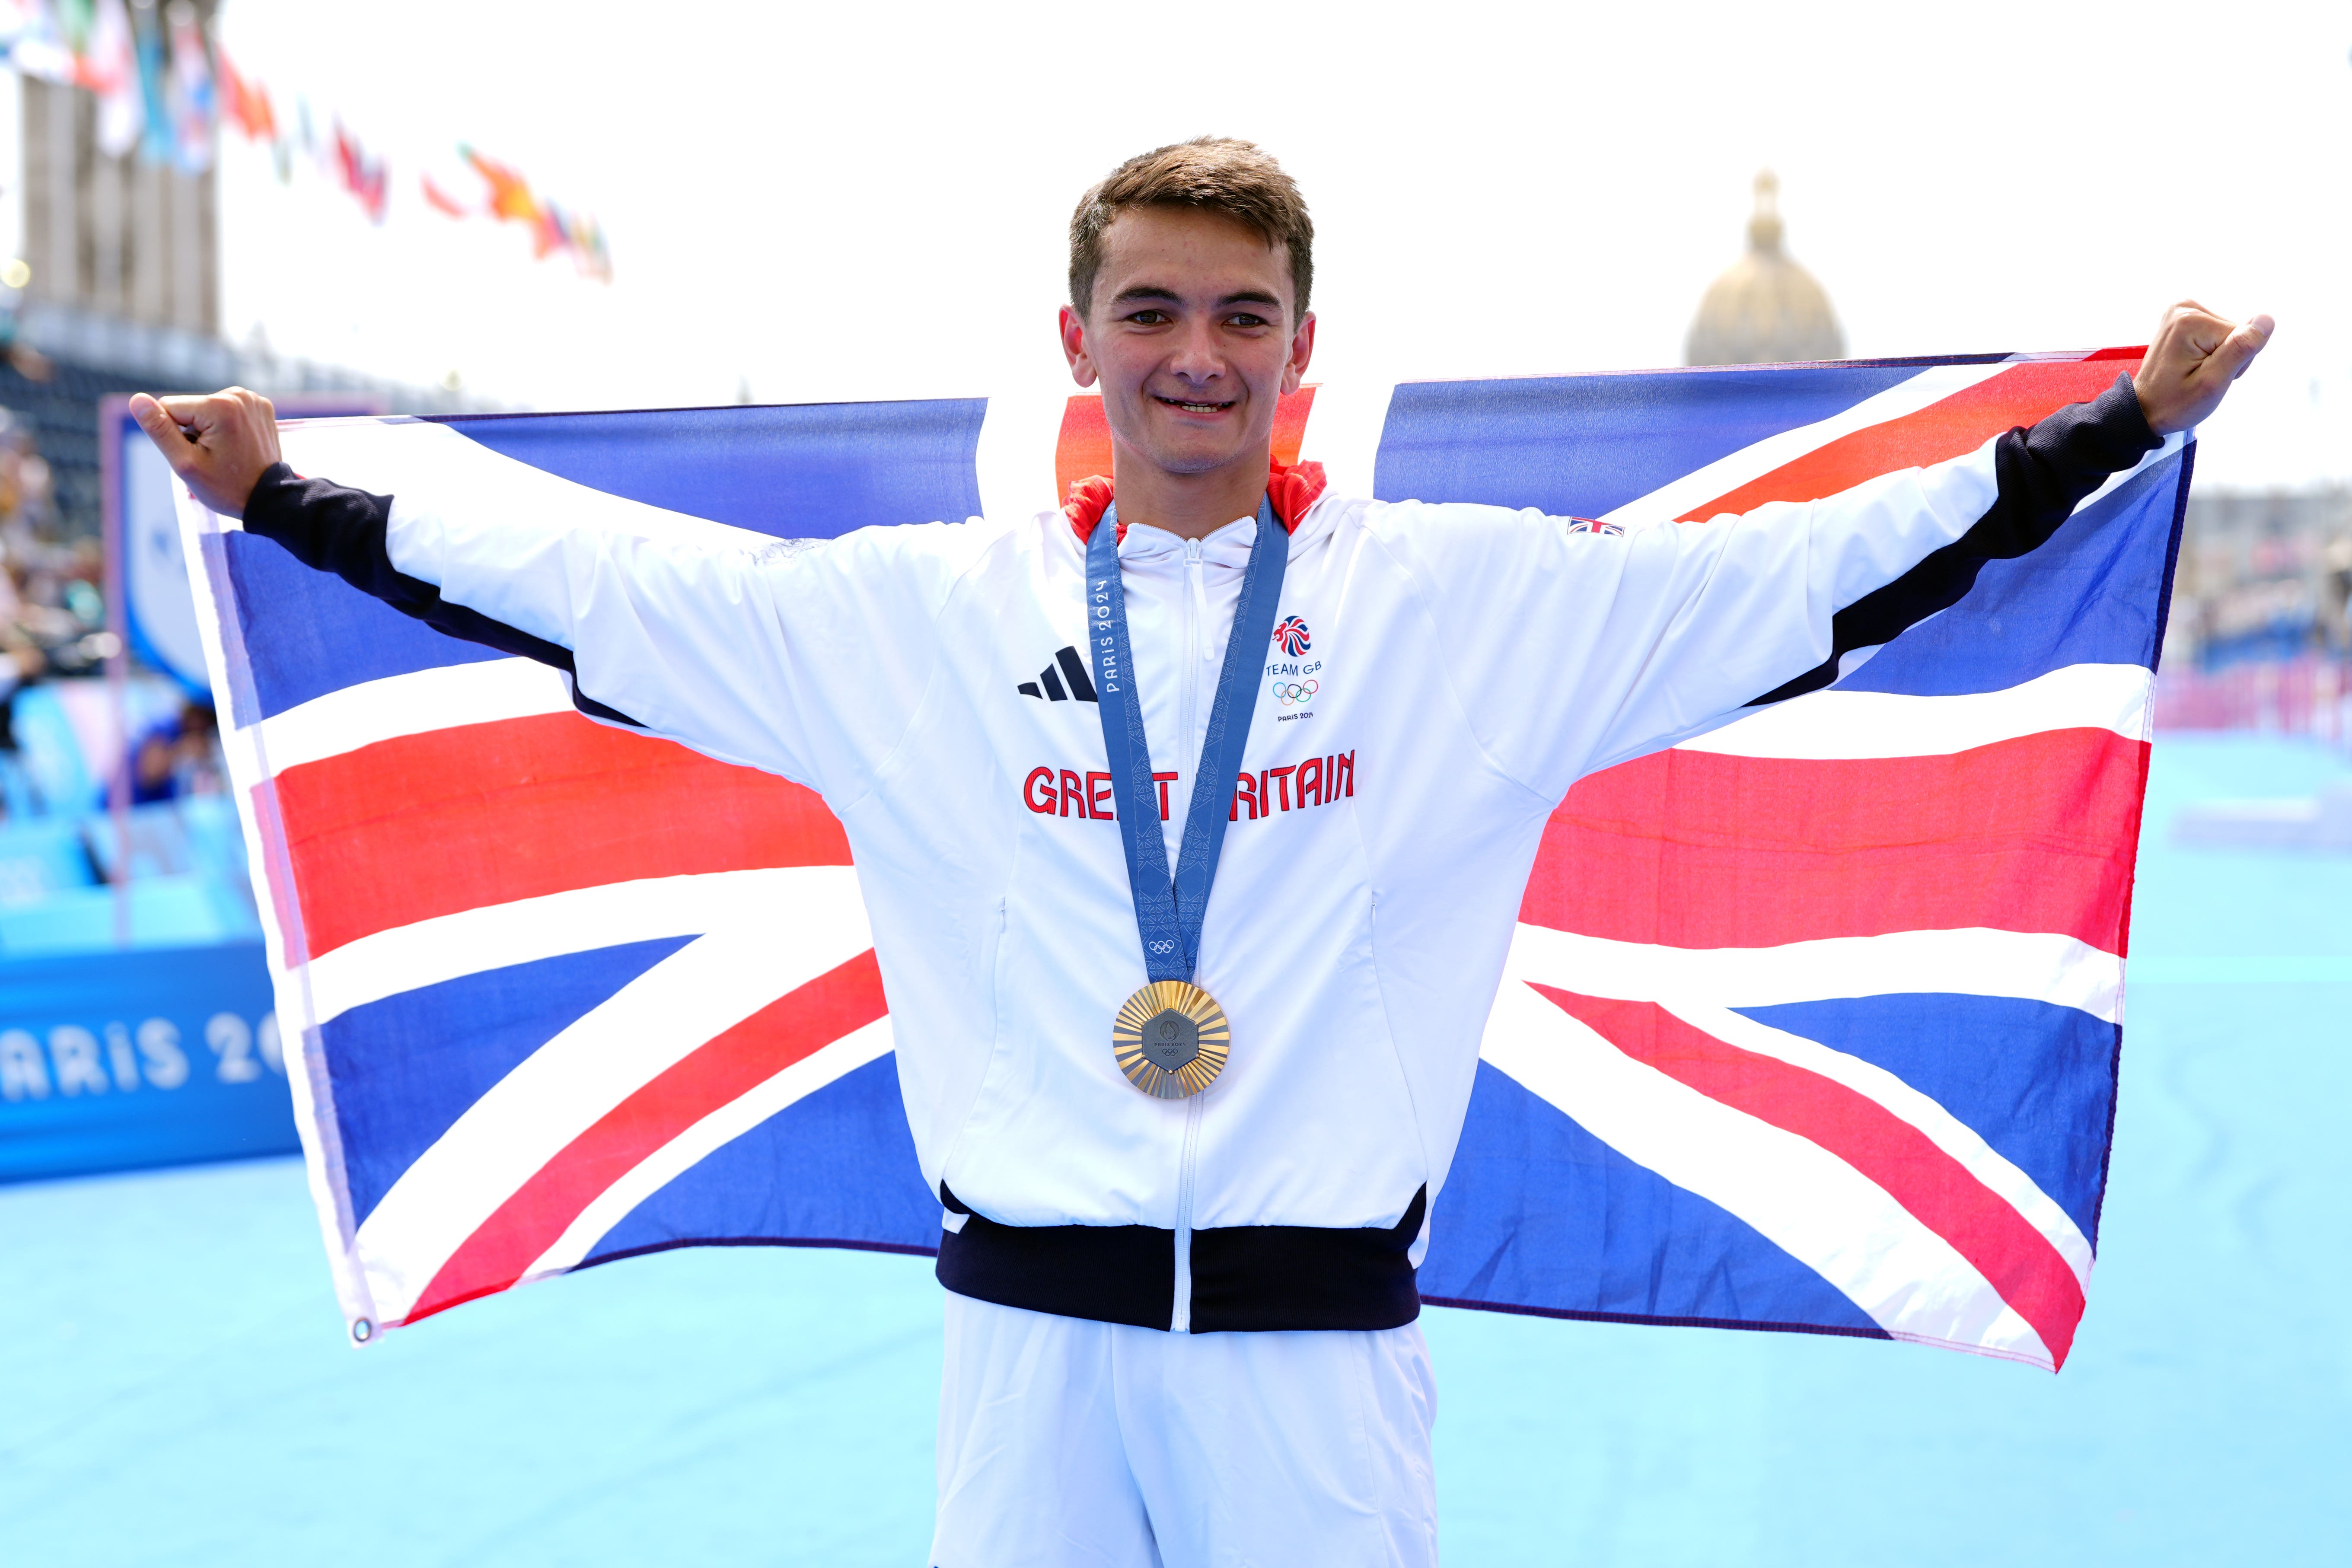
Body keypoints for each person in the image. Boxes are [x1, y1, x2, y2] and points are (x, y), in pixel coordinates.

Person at [134, 137, 2269, 1568]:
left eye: (1239, 316)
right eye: (1149, 312)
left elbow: (1800, 574)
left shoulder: (1463, 612)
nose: (1193, 357)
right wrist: (290, 492)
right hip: (1023, 1351)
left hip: (1313, 1363)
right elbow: (597, 578)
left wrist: (2109, 431)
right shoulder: (919, 624)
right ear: (1076, 342)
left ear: (1296, 349)